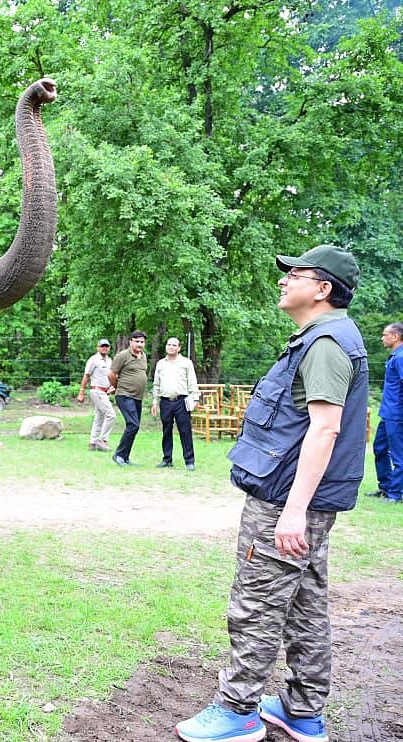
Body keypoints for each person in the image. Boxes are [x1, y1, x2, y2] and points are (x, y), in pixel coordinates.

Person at [176, 244, 367, 742]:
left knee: (257, 604)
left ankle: (237, 711)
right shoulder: (322, 338)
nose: (284, 280)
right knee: (305, 603)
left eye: (296, 275)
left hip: (288, 500)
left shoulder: (326, 342)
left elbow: (325, 429)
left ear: (322, 289)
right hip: (300, 498)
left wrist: (294, 511)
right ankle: (302, 711)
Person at [151, 337, 199, 470]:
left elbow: (192, 382)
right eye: (169, 344)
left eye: (174, 345)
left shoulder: (186, 363)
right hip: (165, 401)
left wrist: (194, 399)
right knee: (166, 430)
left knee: (185, 431)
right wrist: (155, 401)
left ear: (179, 348)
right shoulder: (160, 364)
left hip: (182, 401)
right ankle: (167, 459)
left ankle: (189, 461)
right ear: (166, 347)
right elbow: (156, 384)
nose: (171, 347)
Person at [370, 322, 403, 502]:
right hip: (387, 413)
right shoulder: (395, 356)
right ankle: (386, 486)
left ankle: (396, 494)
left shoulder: (400, 358)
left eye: (385, 335)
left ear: (395, 336)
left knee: (398, 455)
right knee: (380, 448)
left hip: (397, 414)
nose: (382, 338)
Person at [108, 331, 148, 466]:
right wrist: (117, 387)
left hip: (137, 397)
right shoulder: (123, 356)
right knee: (133, 424)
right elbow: (111, 374)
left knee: (134, 427)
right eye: (137, 341)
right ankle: (118, 455)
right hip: (125, 395)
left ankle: (125, 457)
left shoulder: (143, 356)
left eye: (142, 342)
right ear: (130, 342)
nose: (139, 344)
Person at [76, 338, 116, 452]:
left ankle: (93, 443)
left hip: (105, 392)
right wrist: (81, 391)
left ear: (109, 348)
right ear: (98, 347)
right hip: (97, 391)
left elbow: (111, 376)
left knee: (99, 417)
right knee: (111, 415)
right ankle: (102, 440)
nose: (104, 348)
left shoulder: (109, 360)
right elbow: (86, 375)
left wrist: (113, 387)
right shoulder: (93, 360)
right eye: (102, 346)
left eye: (106, 346)